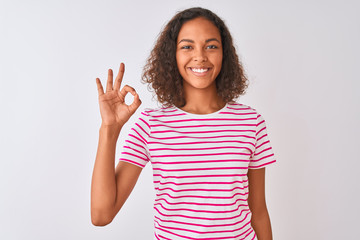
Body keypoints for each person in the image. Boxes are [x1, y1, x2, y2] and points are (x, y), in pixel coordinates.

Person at [91, 7, 276, 240]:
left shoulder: (250, 122)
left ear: (224, 54)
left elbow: (258, 211)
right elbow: (101, 215)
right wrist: (109, 129)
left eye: (211, 46)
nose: (200, 56)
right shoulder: (151, 125)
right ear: (173, 55)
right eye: (187, 46)